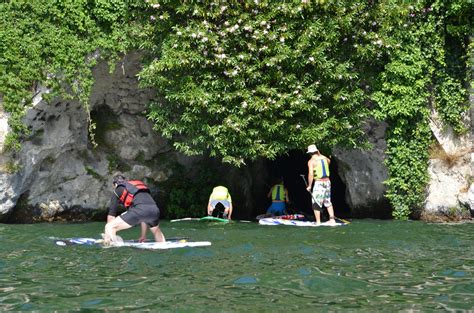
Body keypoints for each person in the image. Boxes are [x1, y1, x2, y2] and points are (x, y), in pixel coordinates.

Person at [103, 174, 165, 245]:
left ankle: (113, 247)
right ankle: (163, 246)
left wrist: (107, 235)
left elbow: (111, 214)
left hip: (139, 210)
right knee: (156, 230)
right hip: (154, 210)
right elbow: (144, 216)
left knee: (109, 227)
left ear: (115, 184)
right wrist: (143, 236)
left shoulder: (118, 189)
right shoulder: (136, 186)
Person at [306, 144, 336, 225]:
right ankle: (332, 220)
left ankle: (318, 222)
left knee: (316, 202)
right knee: (328, 201)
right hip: (327, 182)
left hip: (319, 182)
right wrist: (320, 154)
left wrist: (309, 185)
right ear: (317, 151)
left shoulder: (311, 161)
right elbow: (329, 162)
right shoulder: (325, 158)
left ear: (310, 153)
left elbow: (311, 174)